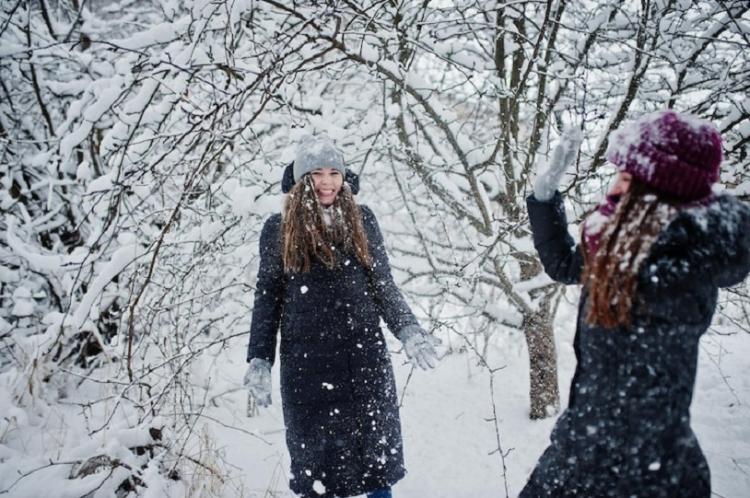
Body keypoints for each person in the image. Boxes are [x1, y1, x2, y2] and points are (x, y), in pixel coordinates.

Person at [521, 110, 750, 497]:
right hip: (620, 455)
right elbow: (565, 265)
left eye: (625, 177)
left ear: (657, 193)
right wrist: (544, 199)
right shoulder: (629, 250)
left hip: (624, 470)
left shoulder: (671, 269)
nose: (612, 189)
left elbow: (621, 411)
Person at [243, 134, 441, 498]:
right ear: (301, 178)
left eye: (334, 172)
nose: (327, 181)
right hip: (307, 370)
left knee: (377, 470)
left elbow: (383, 285)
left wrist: (408, 329)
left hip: (363, 362)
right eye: (316, 173)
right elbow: (267, 298)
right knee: (319, 478)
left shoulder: (362, 220)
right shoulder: (278, 228)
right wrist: (259, 358)